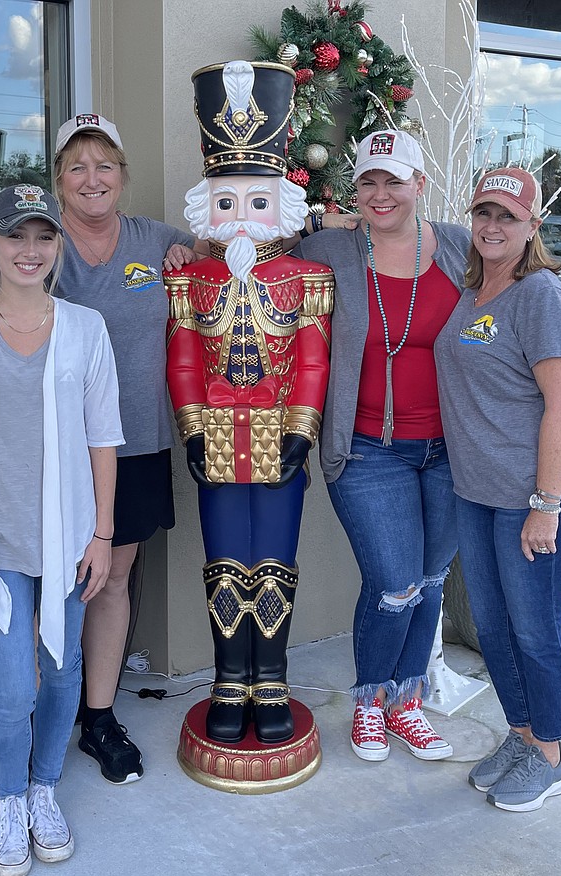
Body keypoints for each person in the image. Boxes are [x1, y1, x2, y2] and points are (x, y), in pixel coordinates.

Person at [0, 184, 122, 876]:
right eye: (15, 236)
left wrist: (101, 534)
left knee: (64, 667)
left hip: (67, 536)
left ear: (57, 247)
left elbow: (103, 439)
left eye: (42, 237)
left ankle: (44, 787)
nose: (29, 250)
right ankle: (10, 799)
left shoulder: (84, 329)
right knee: (14, 686)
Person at [166, 60, 334, 745]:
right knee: (224, 556)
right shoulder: (189, 281)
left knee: (276, 558)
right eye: (227, 202)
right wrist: (190, 431)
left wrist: (304, 429)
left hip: (279, 437)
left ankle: (272, 678)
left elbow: (315, 361)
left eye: (256, 202)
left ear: (282, 207)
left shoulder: (310, 278)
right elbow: (181, 360)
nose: (241, 216)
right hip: (214, 434)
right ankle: (228, 677)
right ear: (209, 207)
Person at [293, 129, 470, 763]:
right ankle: (370, 701)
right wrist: (189, 252)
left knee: (428, 579)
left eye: (394, 180)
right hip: (367, 449)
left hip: (452, 452)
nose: (380, 192)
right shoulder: (330, 249)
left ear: (420, 185)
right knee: (393, 582)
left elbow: (522, 273)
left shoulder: (458, 247)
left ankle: (407, 702)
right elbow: (254, 240)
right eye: (368, 181)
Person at [434, 167, 561, 812]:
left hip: (537, 495)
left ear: (533, 225)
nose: (492, 226)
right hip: (478, 492)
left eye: (508, 215)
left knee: (534, 629)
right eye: (484, 213)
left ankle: (552, 753)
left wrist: (546, 505)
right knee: (495, 628)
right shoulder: (474, 285)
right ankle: (523, 733)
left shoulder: (539, 295)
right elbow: (390, 226)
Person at [50, 113, 197, 783]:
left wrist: (189, 255)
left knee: (110, 579)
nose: (92, 177)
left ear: (123, 175)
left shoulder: (155, 240)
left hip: (135, 441)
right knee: (54, 583)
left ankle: (98, 716)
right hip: (54, 445)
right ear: (58, 180)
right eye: (76, 165)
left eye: (104, 163)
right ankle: (46, 707)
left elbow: (225, 249)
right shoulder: (38, 243)